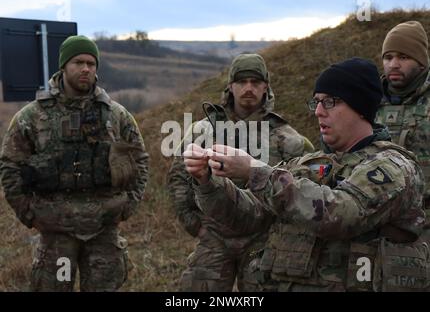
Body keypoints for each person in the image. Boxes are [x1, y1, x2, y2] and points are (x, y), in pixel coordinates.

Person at [185, 57, 429, 291]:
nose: (318, 112)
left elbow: (343, 213)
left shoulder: (394, 167)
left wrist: (255, 170)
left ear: (360, 106)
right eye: (317, 102)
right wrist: (207, 182)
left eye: (330, 102)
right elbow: (250, 216)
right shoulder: (311, 165)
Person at [0, 35, 149, 291]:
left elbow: (140, 162)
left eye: (91, 63)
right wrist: (29, 213)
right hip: (56, 232)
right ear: (63, 66)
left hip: (104, 229)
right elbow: (10, 166)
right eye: (78, 62)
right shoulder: (33, 116)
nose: (85, 69)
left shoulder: (116, 115)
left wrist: (127, 206)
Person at [168, 53, 314, 291]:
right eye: (242, 82)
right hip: (213, 237)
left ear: (266, 87)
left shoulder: (288, 139)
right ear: (230, 86)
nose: (248, 88)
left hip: (262, 241)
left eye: (255, 82)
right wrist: (194, 224)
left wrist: (281, 234)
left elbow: (301, 190)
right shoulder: (202, 130)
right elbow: (178, 176)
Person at [377, 20, 430, 235]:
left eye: (404, 57)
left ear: (422, 63)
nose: (394, 64)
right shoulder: (368, 101)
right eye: (388, 57)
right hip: (376, 222)